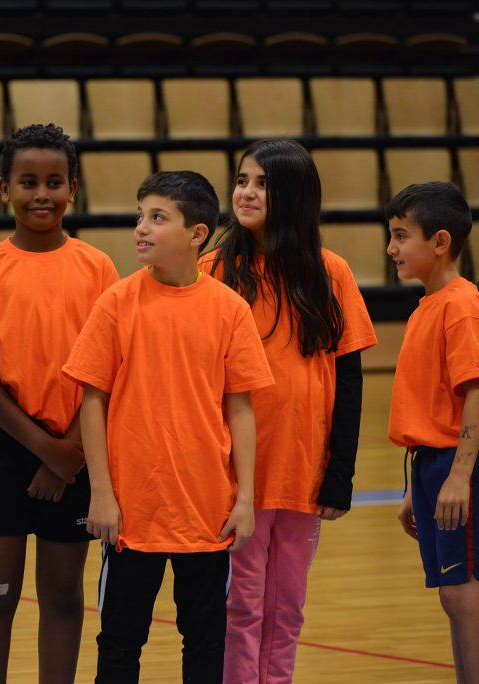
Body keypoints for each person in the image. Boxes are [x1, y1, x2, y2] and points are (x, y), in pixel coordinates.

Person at [63, 171, 274, 683]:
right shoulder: (116, 302)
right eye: (140, 216)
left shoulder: (229, 309)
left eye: (158, 218)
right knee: (118, 642)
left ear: (197, 234)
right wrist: (102, 494)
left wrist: (245, 497)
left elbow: (240, 408)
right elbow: (92, 401)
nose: (141, 228)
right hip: (132, 513)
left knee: (204, 642)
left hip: (207, 512)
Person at [199, 138, 377, 683]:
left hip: (304, 472)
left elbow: (348, 379)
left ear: (295, 196)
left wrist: (339, 475)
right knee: (241, 606)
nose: (246, 192)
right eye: (243, 180)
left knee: (287, 606)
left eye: (262, 183)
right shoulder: (212, 269)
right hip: (237, 479)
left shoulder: (332, 273)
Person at [0, 123, 119, 683]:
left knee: (64, 596)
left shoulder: (98, 270)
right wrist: (48, 451)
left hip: (77, 442)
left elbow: (107, 371)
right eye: (27, 182)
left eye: (54, 181)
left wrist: (68, 452)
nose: (41, 194)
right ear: (3, 189)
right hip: (6, 446)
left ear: (73, 188)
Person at [386, 181, 479, 683]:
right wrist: (413, 488)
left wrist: (459, 476)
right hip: (430, 465)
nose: (391, 248)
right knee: (453, 595)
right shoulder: (429, 305)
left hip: (455, 466)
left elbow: (476, 393)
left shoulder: (461, 306)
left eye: (402, 236)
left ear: (440, 242)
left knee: (464, 593)